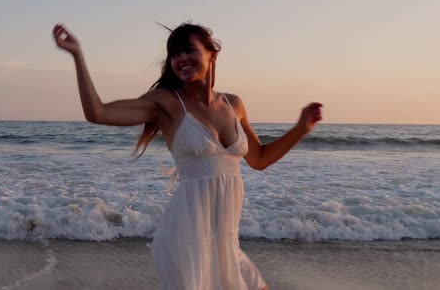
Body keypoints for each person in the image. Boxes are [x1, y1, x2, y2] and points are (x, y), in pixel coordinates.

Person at [52, 22, 323, 290]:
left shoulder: (234, 104)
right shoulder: (167, 103)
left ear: (212, 54)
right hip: (187, 240)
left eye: (189, 50)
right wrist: (77, 55)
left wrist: (302, 128)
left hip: (224, 244)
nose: (181, 58)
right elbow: (98, 113)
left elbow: (260, 159)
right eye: (174, 54)